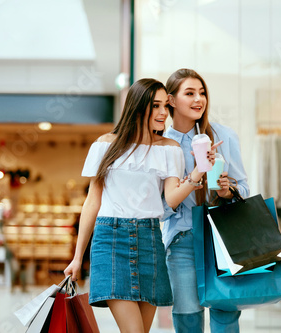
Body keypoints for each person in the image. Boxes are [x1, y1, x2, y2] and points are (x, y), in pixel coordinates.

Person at [63, 78, 219, 333]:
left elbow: (170, 199)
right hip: (110, 241)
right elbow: (93, 202)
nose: (162, 113)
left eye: (164, 107)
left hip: (150, 241)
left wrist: (199, 172)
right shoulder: (105, 144)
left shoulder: (170, 149)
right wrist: (78, 257)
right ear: (137, 107)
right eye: (154, 105)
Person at [162, 68, 250, 333]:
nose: (199, 99)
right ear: (171, 100)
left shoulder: (223, 136)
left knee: (226, 313)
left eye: (202, 93)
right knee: (187, 317)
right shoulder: (163, 145)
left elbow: (244, 188)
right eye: (189, 93)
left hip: (221, 238)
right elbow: (162, 208)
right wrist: (193, 176)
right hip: (182, 240)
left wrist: (226, 191)